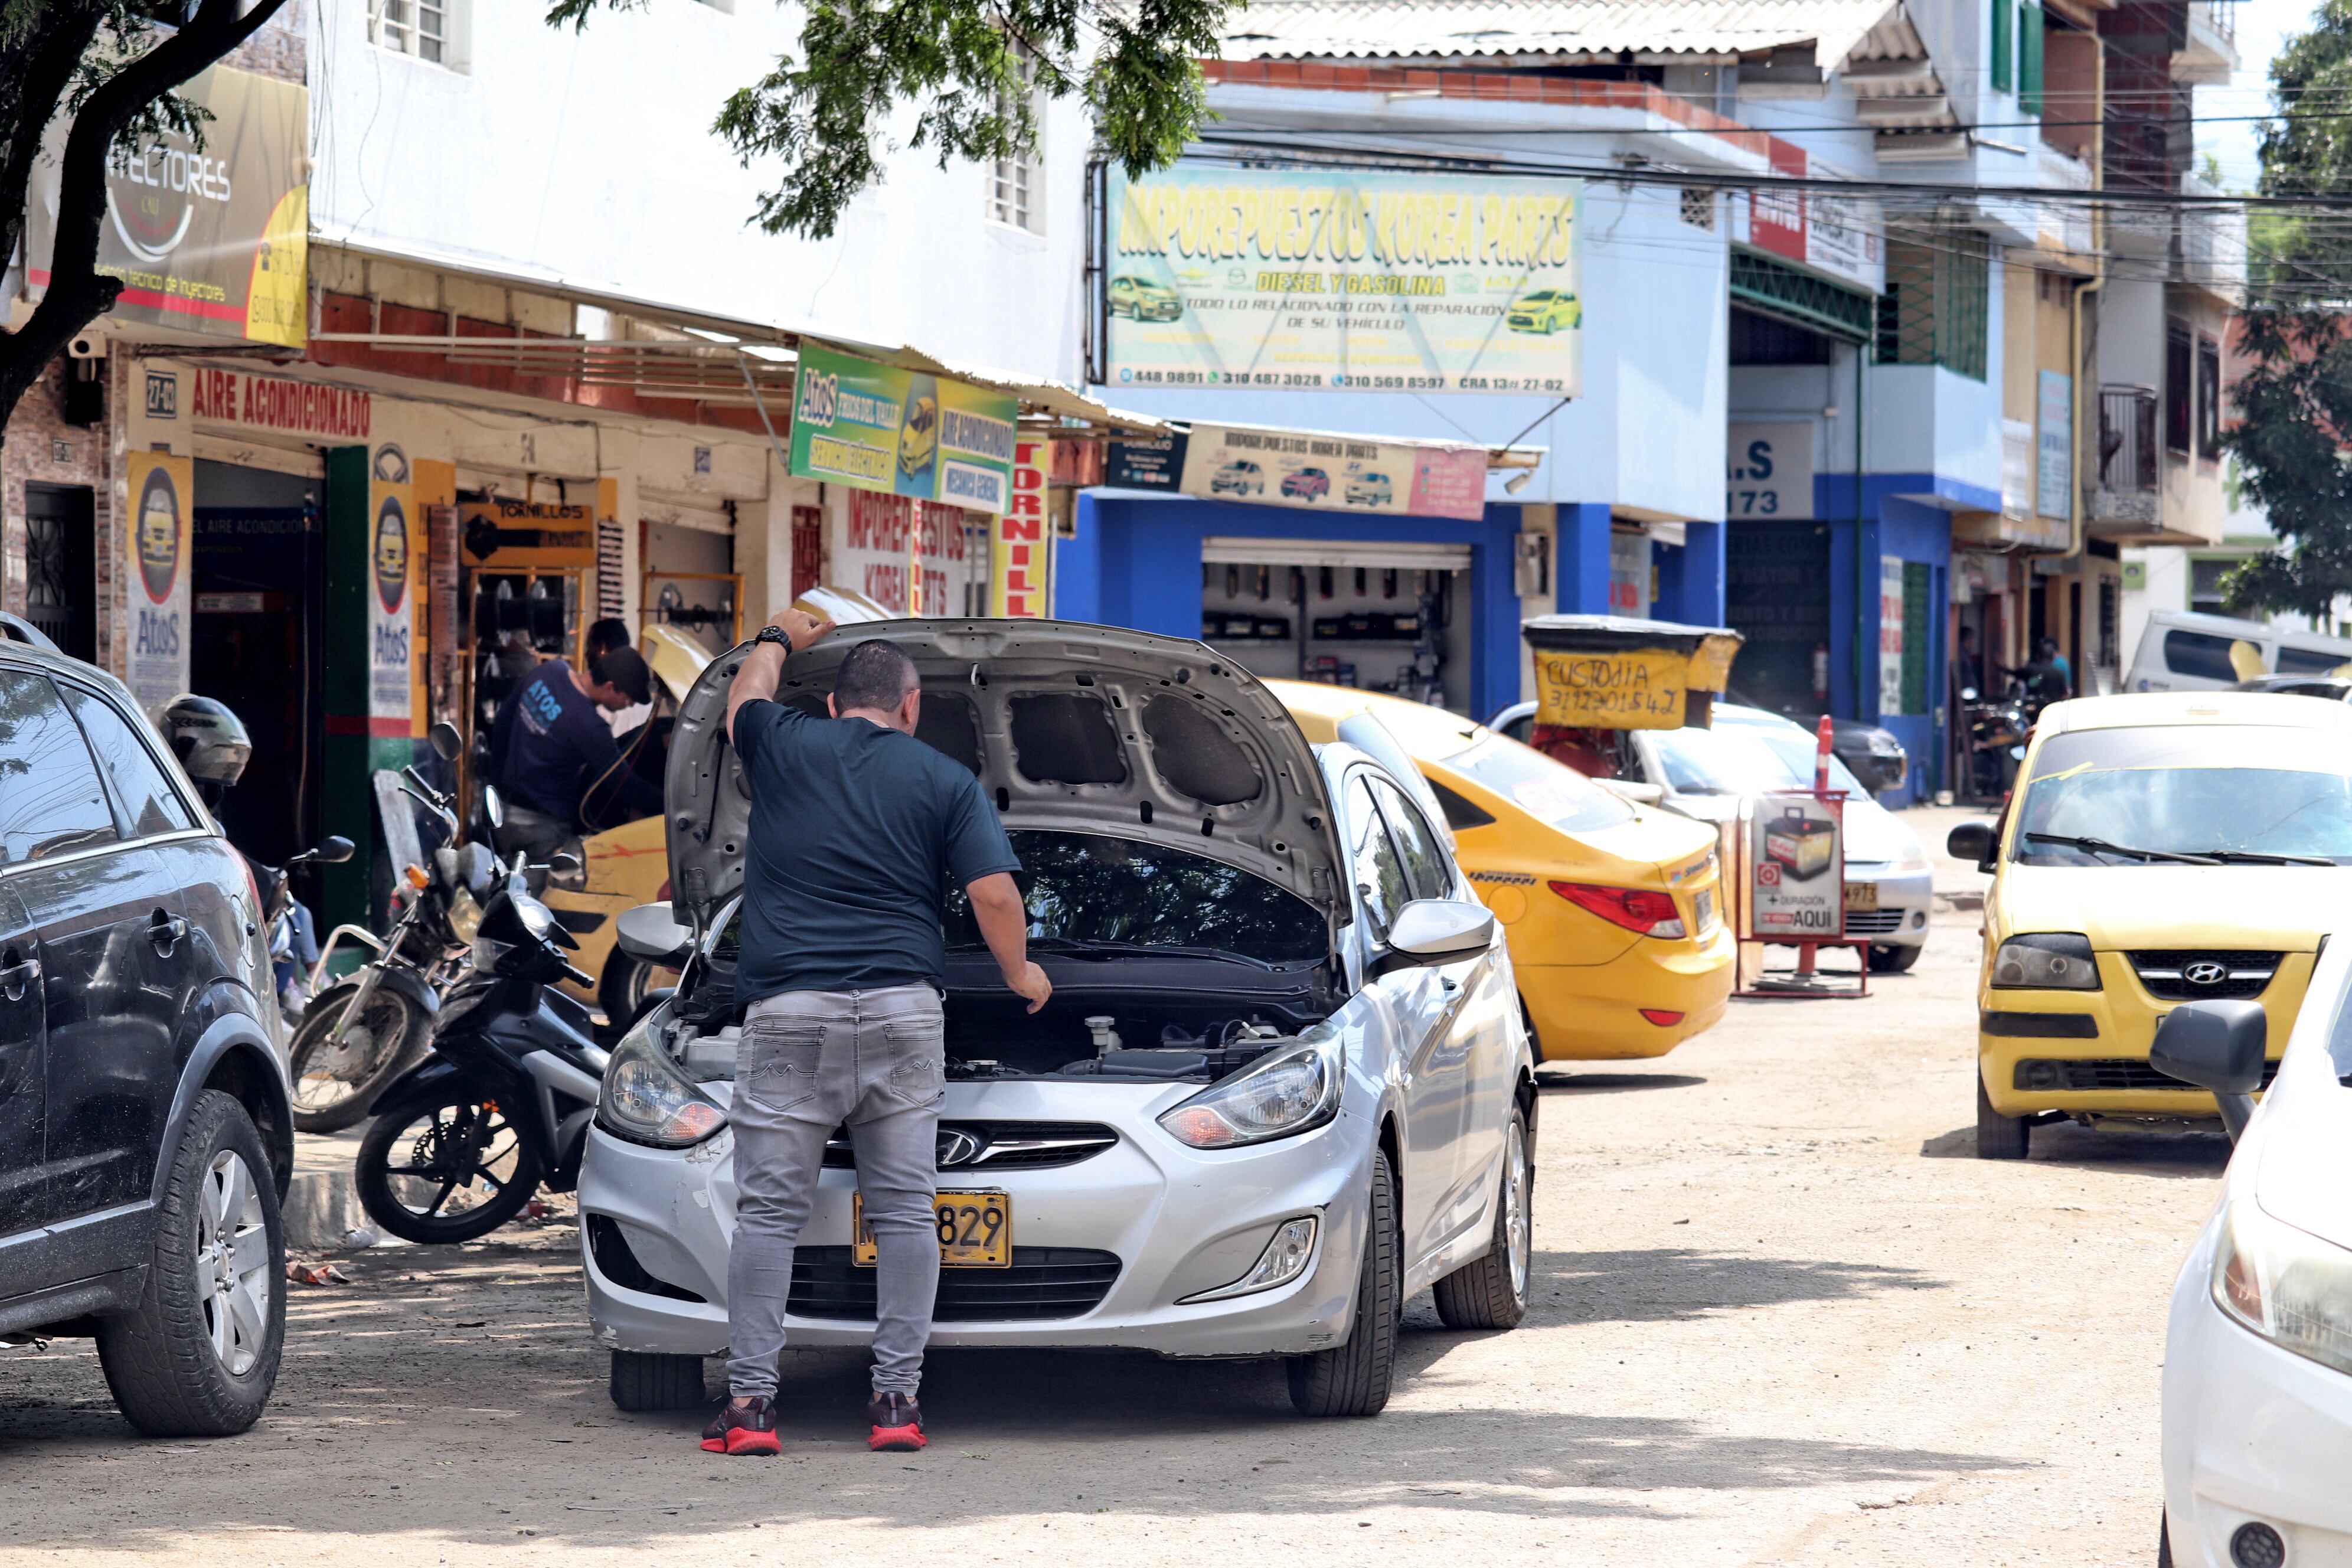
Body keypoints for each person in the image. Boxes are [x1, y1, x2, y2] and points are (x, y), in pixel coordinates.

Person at [702, 610, 1051, 1459]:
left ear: (829, 707)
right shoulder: (941, 778)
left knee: (768, 1215)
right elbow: (995, 896)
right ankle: (896, 1402)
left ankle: (750, 1407)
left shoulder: (782, 743)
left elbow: (738, 699)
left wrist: (779, 637)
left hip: (791, 1014)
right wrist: (1022, 976)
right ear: (911, 707)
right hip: (902, 1013)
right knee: (904, 1211)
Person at [488, 643, 661, 857]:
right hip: (542, 828)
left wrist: (494, 784)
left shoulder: (549, 670)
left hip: (503, 811)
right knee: (538, 890)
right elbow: (626, 786)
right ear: (609, 686)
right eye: (628, 699)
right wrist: (671, 808)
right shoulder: (590, 728)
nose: (627, 706)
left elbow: (504, 720)